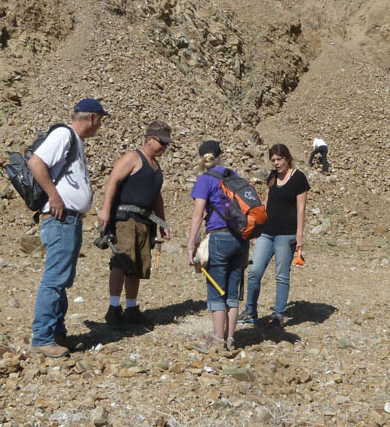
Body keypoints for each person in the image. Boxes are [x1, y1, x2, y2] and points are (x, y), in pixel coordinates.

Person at [29, 98, 108, 358]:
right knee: (54, 280)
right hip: (60, 218)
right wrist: (53, 196)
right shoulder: (64, 134)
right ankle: (42, 337)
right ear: (91, 117)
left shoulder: (75, 141)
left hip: (70, 219)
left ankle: (57, 334)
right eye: (100, 119)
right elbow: (36, 162)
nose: (100, 126)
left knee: (61, 280)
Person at [98, 121, 172, 328]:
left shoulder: (156, 165)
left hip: (145, 222)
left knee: (138, 265)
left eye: (167, 144)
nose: (165, 147)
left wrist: (162, 221)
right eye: (162, 142)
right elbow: (113, 180)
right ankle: (113, 309)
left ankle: (131, 308)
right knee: (121, 261)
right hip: (126, 219)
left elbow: (157, 196)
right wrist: (105, 210)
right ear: (150, 139)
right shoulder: (133, 157)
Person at [238, 144, 310, 328]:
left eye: (279, 159)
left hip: (287, 234)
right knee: (254, 271)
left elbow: (301, 208)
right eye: (273, 160)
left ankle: (279, 313)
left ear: (287, 158)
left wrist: (299, 234)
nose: (276, 163)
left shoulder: (298, 178)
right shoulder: (272, 176)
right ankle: (250, 310)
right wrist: (256, 227)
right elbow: (267, 202)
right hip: (267, 232)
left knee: (281, 275)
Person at [187, 140, 249, 352]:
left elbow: (197, 214)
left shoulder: (205, 180)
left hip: (219, 238)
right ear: (221, 155)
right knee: (232, 292)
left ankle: (217, 341)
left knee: (216, 290)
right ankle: (231, 339)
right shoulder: (235, 176)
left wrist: (191, 244)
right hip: (241, 239)